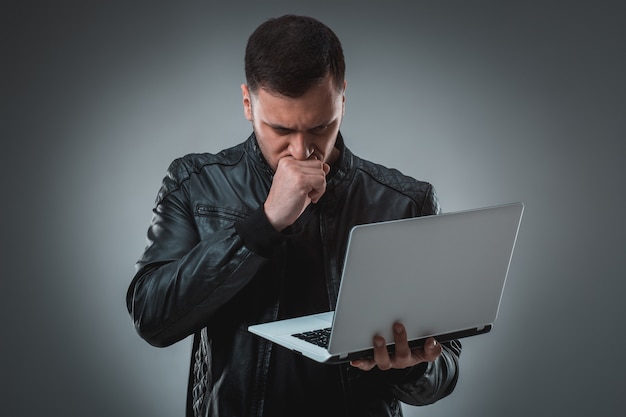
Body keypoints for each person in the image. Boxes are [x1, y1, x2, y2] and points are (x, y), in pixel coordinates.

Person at [126, 14, 461, 417]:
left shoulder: (404, 202)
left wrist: (413, 367)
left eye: (321, 127)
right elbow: (153, 320)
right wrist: (264, 223)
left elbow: (443, 374)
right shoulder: (195, 183)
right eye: (281, 130)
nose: (302, 151)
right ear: (248, 103)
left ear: (343, 99)